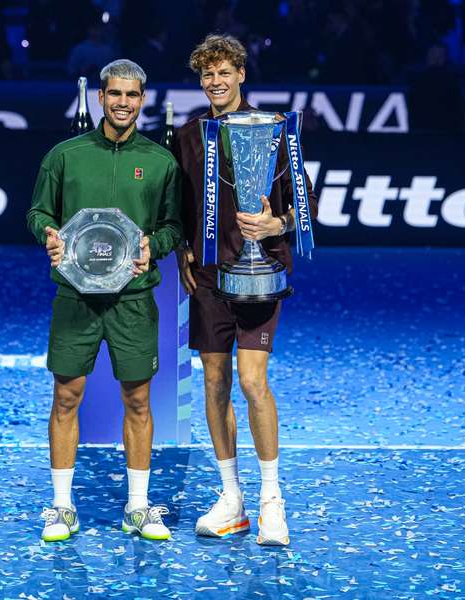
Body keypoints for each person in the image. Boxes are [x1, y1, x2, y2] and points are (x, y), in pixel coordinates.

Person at [27, 59, 182, 543]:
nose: (122, 102)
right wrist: (47, 235)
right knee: (66, 396)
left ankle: (138, 508)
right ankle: (61, 507)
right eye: (114, 93)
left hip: (133, 299)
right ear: (100, 96)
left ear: (143, 100)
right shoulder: (64, 156)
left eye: (132, 95)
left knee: (138, 400)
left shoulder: (161, 162)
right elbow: (37, 212)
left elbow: (173, 227)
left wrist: (151, 247)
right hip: (75, 296)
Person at [172, 34, 317, 546]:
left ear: (241, 75)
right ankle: (231, 498)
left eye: (224, 72)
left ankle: (272, 501)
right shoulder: (188, 136)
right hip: (209, 279)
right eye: (207, 75)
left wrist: (276, 225)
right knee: (214, 382)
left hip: (262, 275)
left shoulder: (275, 131)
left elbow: (306, 204)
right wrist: (183, 252)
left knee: (252, 382)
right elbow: (178, 207)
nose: (215, 82)